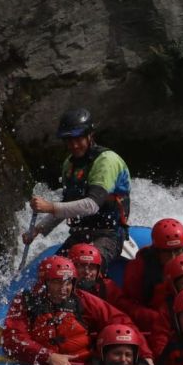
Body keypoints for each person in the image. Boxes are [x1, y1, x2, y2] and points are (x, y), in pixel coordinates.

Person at [2, 255, 150, 365]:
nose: (64, 288)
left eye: (68, 282)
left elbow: (121, 321)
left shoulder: (81, 299)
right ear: (44, 282)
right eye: (57, 282)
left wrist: (145, 353)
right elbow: (12, 339)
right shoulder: (26, 302)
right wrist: (49, 357)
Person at [25, 108, 131, 270]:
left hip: (109, 235)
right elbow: (68, 205)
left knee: (82, 270)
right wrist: (38, 229)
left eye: (78, 138)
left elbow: (91, 205)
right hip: (80, 234)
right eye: (69, 140)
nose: (74, 145)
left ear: (90, 135)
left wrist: (49, 207)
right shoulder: (70, 164)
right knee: (50, 273)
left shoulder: (106, 161)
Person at [67, 242, 159, 329]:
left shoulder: (106, 287)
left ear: (98, 270)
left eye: (92, 267)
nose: (87, 272)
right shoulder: (62, 289)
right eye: (81, 266)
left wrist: (158, 319)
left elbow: (128, 309)